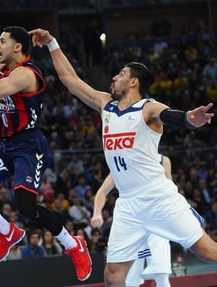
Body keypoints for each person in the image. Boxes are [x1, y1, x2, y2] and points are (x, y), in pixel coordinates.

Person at [29, 28, 217, 287]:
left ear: (133, 82)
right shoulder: (105, 104)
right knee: (113, 276)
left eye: (120, 75)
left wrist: (189, 119)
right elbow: (69, 80)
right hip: (128, 204)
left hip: (158, 196)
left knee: (208, 253)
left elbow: (172, 115)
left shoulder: (148, 107)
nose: (114, 78)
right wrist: (52, 43)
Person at [0, 25, 92, 281]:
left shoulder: (25, 74)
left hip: (29, 147)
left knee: (25, 205)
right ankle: (7, 232)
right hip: (8, 145)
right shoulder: (3, 69)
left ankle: (73, 244)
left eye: (2, 42)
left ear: (18, 47)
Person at [91, 154, 173, 287]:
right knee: (129, 279)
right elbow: (102, 191)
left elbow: (170, 192)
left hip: (155, 216)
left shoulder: (163, 160)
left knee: (161, 272)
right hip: (130, 220)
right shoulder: (122, 162)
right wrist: (97, 213)